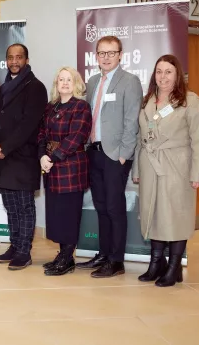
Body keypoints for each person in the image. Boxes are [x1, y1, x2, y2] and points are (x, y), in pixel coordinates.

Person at [132, 55, 199, 287]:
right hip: (150, 164)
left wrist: (197, 174)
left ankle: (174, 266)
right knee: (153, 213)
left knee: (176, 214)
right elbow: (139, 138)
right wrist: (137, 168)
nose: (163, 76)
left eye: (168, 72)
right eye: (159, 71)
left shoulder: (190, 101)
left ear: (177, 75)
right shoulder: (147, 101)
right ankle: (156, 262)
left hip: (177, 166)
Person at [76, 36, 143, 278]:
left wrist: (124, 154)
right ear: (96, 56)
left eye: (110, 53)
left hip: (115, 155)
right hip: (93, 152)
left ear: (120, 55)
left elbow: (132, 120)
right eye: (101, 53)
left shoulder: (130, 82)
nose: (105, 57)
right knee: (101, 206)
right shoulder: (93, 81)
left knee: (114, 208)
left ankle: (116, 261)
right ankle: (104, 254)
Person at [0, 43, 47, 271]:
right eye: (10, 57)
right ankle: (14, 245)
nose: (14, 61)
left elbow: (29, 125)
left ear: (26, 60)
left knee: (24, 206)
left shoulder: (36, 87)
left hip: (23, 157)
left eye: (19, 57)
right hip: (3, 157)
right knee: (10, 206)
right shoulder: (3, 89)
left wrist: (5, 146)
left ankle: (24, 251)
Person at [38, 67, 92, 276]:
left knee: (69, 215)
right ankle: (62, 254)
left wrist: (52, 157)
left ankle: (68, 257)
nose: (65, 83)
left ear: (76, 83)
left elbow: (77, 136)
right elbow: (41, 133)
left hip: (70, 167)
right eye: (61, 79)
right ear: (56, 84)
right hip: (51, 167)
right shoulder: (50, 107)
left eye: (69, 80)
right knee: (56, 215)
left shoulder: (81, 106)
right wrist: (42, 155)